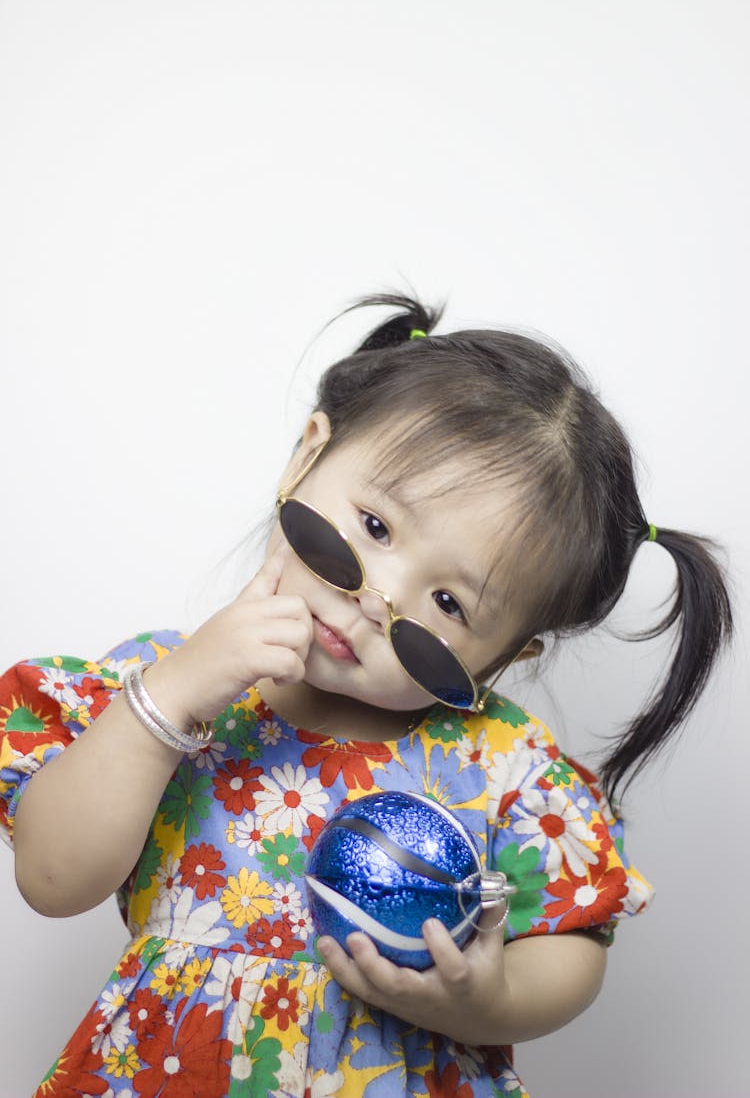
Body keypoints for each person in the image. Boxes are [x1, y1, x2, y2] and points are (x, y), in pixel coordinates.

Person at [0, 293, 732, 1097]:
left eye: (450, 604)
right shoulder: (164, 688)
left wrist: (488, 998)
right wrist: (170, 697)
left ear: (504, 657)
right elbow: (53, 875)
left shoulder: (501, 761)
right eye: (377, 527)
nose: (380, 600)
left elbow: (574, 941)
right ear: (305, 456)